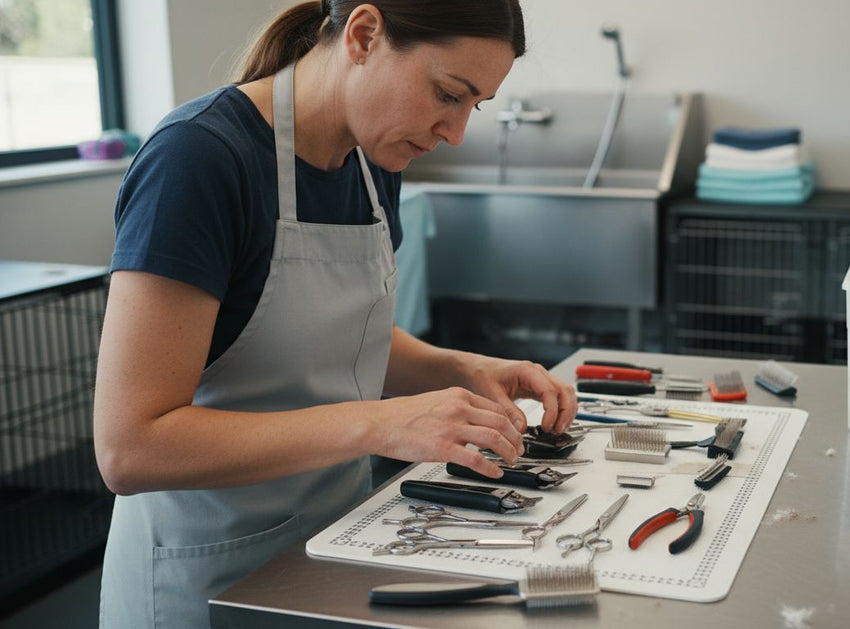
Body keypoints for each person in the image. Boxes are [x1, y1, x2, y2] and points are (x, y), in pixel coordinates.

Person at [93, 1, 576, 626]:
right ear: (364, 34)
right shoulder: (199, 160)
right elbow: (130, 449)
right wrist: (380, 424)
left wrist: (461, 369)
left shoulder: (374, 161)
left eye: (473, 106)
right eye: (447, 94)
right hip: (207, 575)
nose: (454, 132)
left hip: (336, 548)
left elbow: (329, 337)